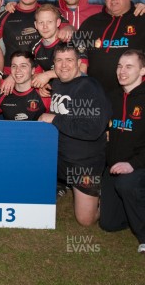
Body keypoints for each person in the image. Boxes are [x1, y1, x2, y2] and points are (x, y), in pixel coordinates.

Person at [39, 45, 111, 226]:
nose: (64, 65)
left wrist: (54, 119)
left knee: (85, 220)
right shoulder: (58, 84)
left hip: (83, 163)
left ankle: (112, 197)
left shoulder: (88, 87)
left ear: (79, 63)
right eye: (59, 60)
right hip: (60, 158)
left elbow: (93, 129)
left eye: (69, 60)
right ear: (53, 64)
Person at [100, 50, 145, 253]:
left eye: (129, 66)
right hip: (115, 166)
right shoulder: (112, 97)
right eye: (119, 66)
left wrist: (132, 165)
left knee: (127, 184)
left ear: (142, 70)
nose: (122, 71)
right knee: (108, 224)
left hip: (139, 165)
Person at [76, 0, 145, 93]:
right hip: (95, 94)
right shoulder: (91, 23)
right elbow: (74, 55)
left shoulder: (141, 20)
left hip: (133, 97)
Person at [0, 51, 49, 121]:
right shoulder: (3, 92)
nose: (18, 70)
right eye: (14, 66)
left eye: (23, 66)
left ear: (33, 70)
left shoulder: (44, 93)